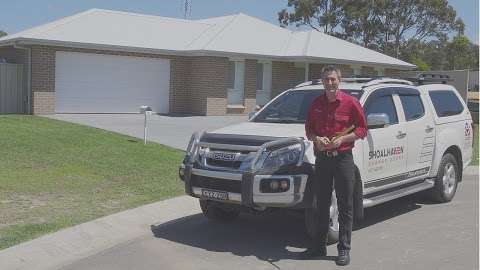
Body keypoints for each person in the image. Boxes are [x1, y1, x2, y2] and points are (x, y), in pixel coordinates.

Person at [301, 65, 367, 266]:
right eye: (326, 79)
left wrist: (344, 138)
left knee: (345, 204)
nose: (330, 83)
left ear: (340, 80)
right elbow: (309, 130)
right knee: (321, 204)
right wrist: (316, 139)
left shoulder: (351, 103)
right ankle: (318, 246)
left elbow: (363, 129)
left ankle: (344, 249)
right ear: (322, 81)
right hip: (322, 159)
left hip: (343, 159)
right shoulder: (316, 104)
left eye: (333, 79)